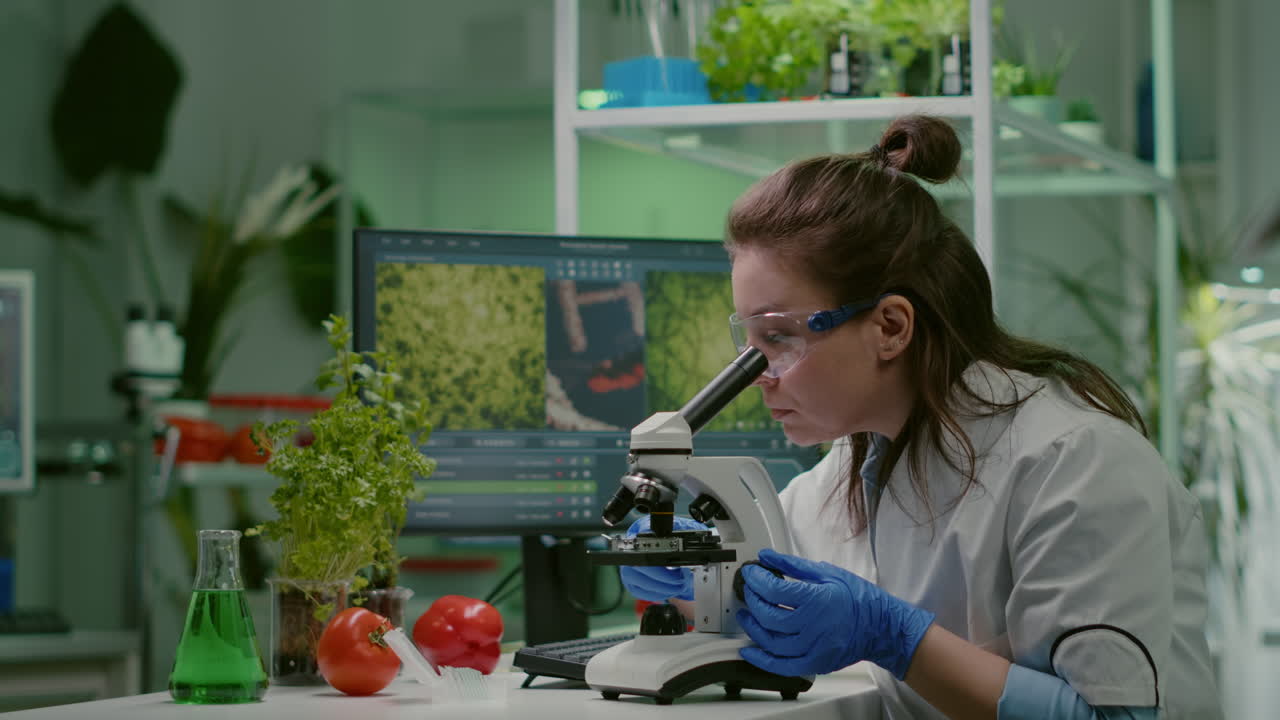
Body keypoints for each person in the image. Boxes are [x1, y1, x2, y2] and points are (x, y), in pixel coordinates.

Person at [620, 114, 1221, 720]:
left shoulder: (1075, 465)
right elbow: (770, 581)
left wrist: (898, 639)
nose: (759, 377)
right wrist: (701, 569)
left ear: (890, 327)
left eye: (778, 340)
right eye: (748, 344)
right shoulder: (853, 468)